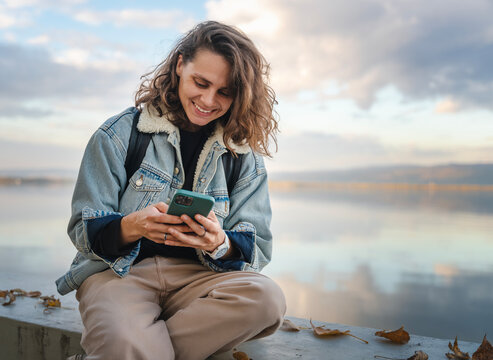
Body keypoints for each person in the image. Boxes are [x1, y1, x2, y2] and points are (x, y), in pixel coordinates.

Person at [57, 21, 286, 360]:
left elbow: (258, 250)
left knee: (267, 300)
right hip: (119, 275)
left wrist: (219, 244)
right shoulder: (118, 135)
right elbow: (82, 230)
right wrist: (131, 226)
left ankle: (129, 348)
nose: (208, 100)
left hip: (200, 280)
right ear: (180, 66)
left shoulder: (243, 158)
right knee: (125, 339)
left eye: (224, 92)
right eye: (201, 82)